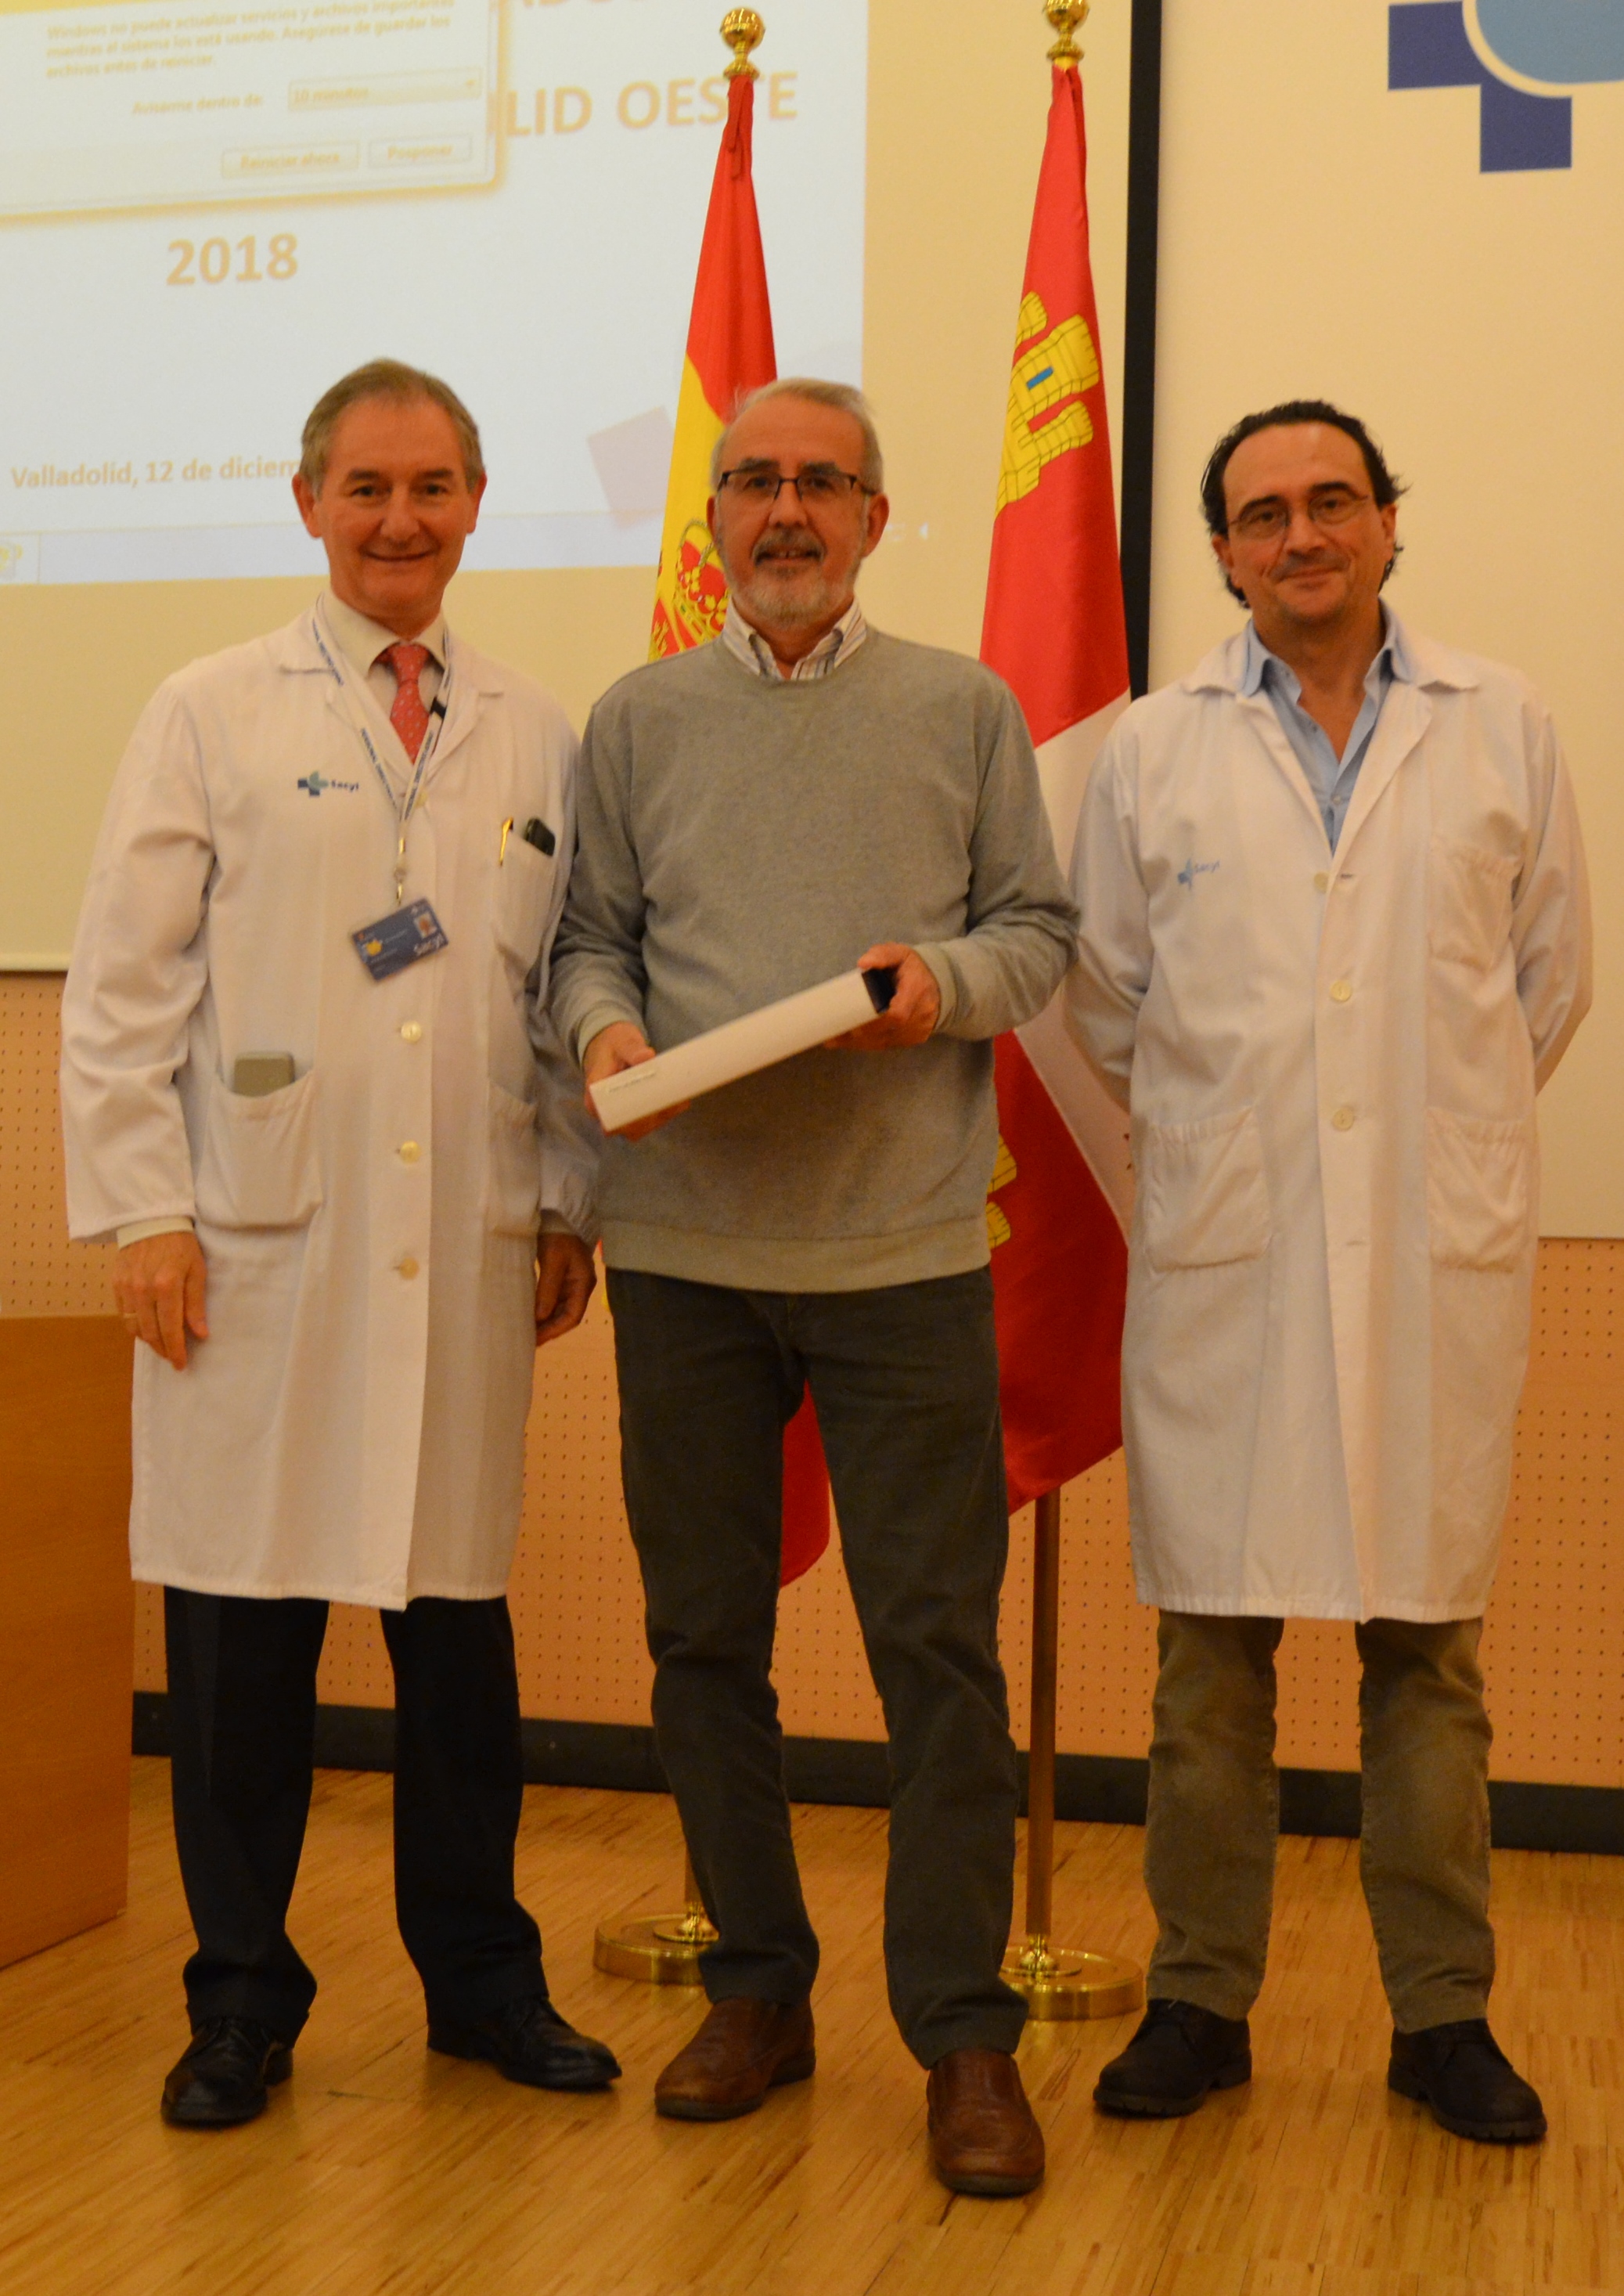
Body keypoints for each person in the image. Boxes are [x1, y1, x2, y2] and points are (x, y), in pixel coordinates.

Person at [60, 359, 620, 2129]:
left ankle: (482, 1984)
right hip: (256, 1253)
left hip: (461, 1247)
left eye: (432, 486)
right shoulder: (210, 709)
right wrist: (147, 1209)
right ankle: (240, 2000)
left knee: (457, 1646)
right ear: (307, 502)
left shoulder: (535, 730)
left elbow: (558, 990)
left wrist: (567, 1197)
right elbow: (122, 987)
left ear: (476, 504)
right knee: (241, 1654)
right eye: (366, 487)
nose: (399, 519)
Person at [549, 378, 1078, 2197]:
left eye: (822, 483)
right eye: (755, 480)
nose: (786, 511)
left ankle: (964, 2038)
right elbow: (589, 944)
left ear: (872, 513)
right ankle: (758, 1993)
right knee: (705, 1640)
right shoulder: (637, 719)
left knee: (936, 1649)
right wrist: (604, 1029)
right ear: (714, 515)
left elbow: (1038, 937)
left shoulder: (965, 707)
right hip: (684, 1255)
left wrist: (941, 986)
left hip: (903, 1255)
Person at [1067, 400, 1590, 2145]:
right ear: (1223, 551)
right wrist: (1250, 1133)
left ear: (1386, 522)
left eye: (1333, 500)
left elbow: (1548, 982)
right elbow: (1109, 996)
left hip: (1428, 1257)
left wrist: (1419, 1139)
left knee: (1427, 1658)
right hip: (1235, 1254)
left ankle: (1443, 2019)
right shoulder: (1156, 747)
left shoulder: (1501, 722)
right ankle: (1200, 2002)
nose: (1301, 533)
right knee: (1209, 1665)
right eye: (1263, 513)